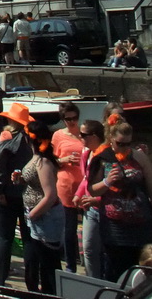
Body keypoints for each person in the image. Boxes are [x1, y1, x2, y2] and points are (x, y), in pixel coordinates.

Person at [87, 120, 152, 282]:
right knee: (115, 270)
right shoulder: (102, 158)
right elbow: (92, 189)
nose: (124, 148)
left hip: (141, 224)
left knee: (143, 268)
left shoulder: (139, 157)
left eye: (128, 144)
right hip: (114, 227)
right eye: (120, 143)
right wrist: (107, 181)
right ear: (110, 139)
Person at [16, 120, 64, 295]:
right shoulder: (36, 157)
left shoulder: (44, 162)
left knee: (49, 263)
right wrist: (20, 179)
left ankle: (52, 294)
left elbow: (50, 195)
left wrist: (32, 214)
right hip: (36, 216)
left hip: (45, 217)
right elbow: (34, 182)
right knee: (40, 260)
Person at [0, 103, 33, 286]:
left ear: (10, 120)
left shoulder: (7, 137)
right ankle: (32, 280)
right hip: (26, 193)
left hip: (7, 194)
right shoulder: (30, 139)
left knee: (4, 236)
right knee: (28, 237)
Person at [51, 102, 84, 273]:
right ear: (63, 120)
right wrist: (65, 160)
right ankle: (71, 265)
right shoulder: (57, 136)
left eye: (75, 118)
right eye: (68, 119)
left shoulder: (85, 133)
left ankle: (90, 262)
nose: (72, 122)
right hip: (66, 186)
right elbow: (51, 161)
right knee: (69, 229)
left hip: (86, 187)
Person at [72, 119, 106, 278]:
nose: (80, 137)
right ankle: (93, 282)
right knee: (89, 249)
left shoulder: (106, 156)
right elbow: (86, 179)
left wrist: (96, 200)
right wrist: (78, 194)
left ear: (95, 136)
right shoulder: (86, 154)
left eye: (83, 135)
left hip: (106, 209)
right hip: (90, 209)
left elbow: (114, 187)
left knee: (104, 251)